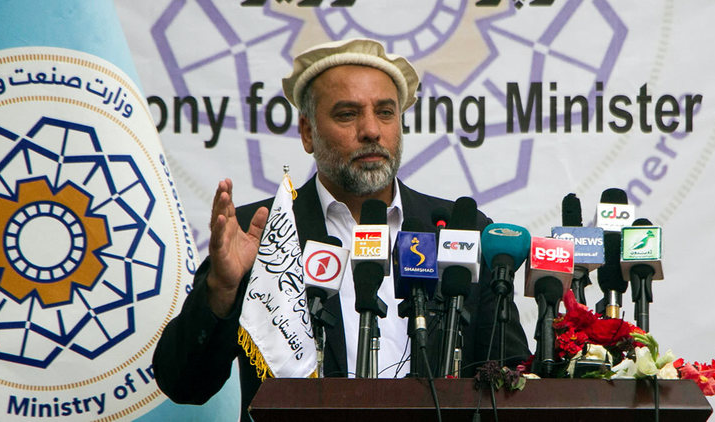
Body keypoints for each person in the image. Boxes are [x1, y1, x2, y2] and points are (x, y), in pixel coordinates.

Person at [152, 38, 530, 420]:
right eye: (348, 114)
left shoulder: (460, 232)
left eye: (385, 112)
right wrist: (222, 289)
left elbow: (509, 377)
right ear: (307, 132)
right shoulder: (262, 233)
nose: (371, 130)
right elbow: (184, 384)